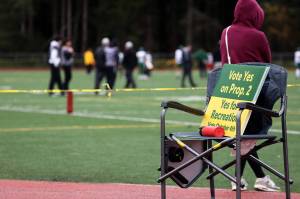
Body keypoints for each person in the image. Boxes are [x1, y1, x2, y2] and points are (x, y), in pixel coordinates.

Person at [220, 0, 279, 192]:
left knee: (242, 138)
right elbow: (266, 64)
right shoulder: (259, 36)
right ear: (255, 14)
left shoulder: (226, 31)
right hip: (253, 95)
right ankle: (245, 178)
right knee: (246, 138)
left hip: (226, 93)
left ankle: (252, 178)